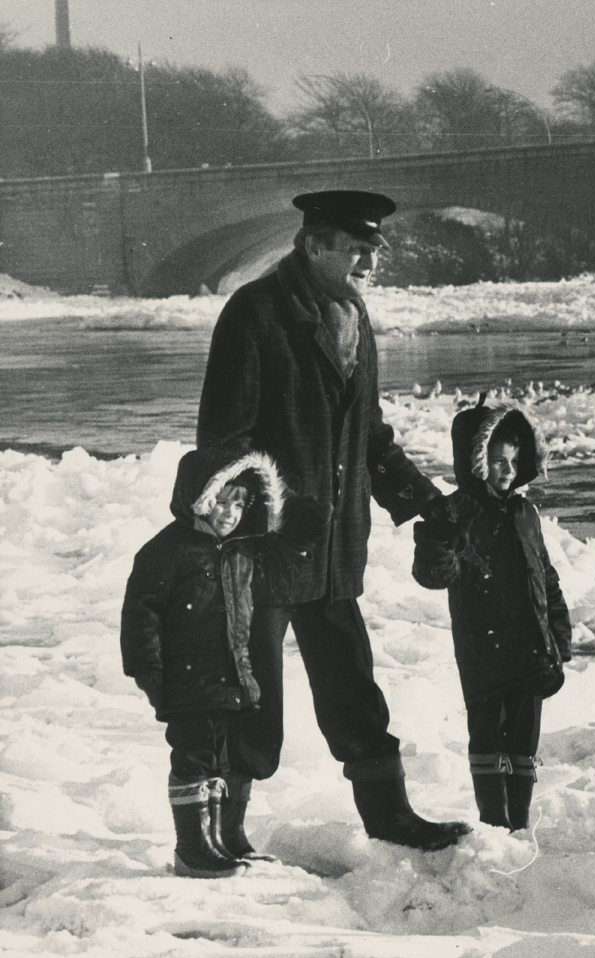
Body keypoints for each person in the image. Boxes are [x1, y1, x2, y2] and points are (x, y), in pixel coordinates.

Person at [196, 189, 469, 852]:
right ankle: (217, 835)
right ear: (314, 245)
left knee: (352, 687)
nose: (368, 261)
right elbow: (223, 441)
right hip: (263, 550)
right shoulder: (256, 313)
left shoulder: (350, 316)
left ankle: (390, 819)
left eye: (373, 249)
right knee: (248, 700)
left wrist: (424, 499)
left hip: (334, 551)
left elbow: (368, 436)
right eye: (355, 248)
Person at [121, 448, 318, 877]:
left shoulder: (241, 552)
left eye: (239, 504)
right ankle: (192, 847)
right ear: (198, 496)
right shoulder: (167, 550)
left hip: (232, 675)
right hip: (185, 678)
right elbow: (142, 612)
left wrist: (300, 537)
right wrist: (148, 670)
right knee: (194, 757)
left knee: (227, 758)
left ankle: (222, 841)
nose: (229, 513)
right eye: (221, 500)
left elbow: (280, 584)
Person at [412, 403, 571, 831]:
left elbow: (546, 578)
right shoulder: (459, 513)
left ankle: (518, 821)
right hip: (483, 651)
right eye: (498, 460)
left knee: (524, 740)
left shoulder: (526, 515)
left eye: (515, 461)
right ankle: (493, 823)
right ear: (476, 461)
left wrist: (559, 633)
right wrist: (440, 537)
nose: (507, 469)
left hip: (530, 648)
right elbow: (432, 575)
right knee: (487, 739)